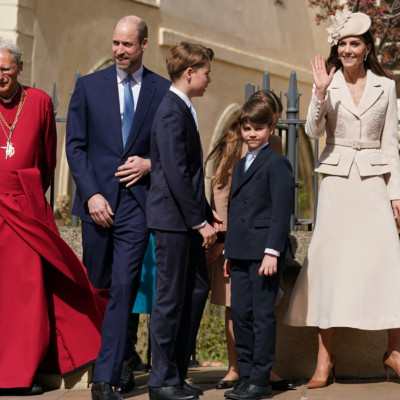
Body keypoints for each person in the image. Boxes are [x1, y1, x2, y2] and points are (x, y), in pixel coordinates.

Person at [284, 5, 400, 388]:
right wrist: (318, 92)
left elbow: (391, 144)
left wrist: (396, 195)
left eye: (355, 44)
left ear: (367, 48)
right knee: (328, 265)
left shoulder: (386, 87)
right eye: (343, 44)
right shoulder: (328, 83)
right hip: (336, 182)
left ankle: (394, 351)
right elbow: (313, 130)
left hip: (374, 182)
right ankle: (324, 359)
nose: (348, 50)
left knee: (387, 261)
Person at [66, 15, 170, 400]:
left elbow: (175, 147)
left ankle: (105, 379)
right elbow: (75, 146)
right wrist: (91, 194)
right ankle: (107, 355)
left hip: (137, 207)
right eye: (115, 43)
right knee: (99, 286)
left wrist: (150, 164)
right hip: (97, 204)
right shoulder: (88, 87)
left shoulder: (162, 90)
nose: (119, 51)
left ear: (143, 45)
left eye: (127, 44)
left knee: (125, 286)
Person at [0, 40, 103, 395]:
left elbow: (47, 161)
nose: (0, 75)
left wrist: (25, 194)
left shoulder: (41, 102)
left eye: (5, 69)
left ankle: (19, 375)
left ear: (19, 69)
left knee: (27, 295)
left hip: (26, 212)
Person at [146, 41, 222, 400]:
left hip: (186, 219)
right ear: (189, 73)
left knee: (195, 291)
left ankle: (176, 373)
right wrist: (198, 221)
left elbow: (189, 174)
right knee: (170, 299)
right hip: (173, 222)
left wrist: (207, 212)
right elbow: (174, 173)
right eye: (206, 73)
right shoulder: (171, 111)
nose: (209, 79)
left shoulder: (183, 108)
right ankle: (161, 380)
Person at [205, 90, 294, 392]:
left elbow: (280, 212)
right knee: (240, 314)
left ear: (271, 128)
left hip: (263, 253)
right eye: (247, 128)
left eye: (258, 128)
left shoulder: (277, 163)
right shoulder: (240, 164)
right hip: (239, 252)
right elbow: (234, 206)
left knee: (262, 316)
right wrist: (229, 249)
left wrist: (272, 252)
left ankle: (259, 380)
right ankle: (244, 374)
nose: (252, 134)